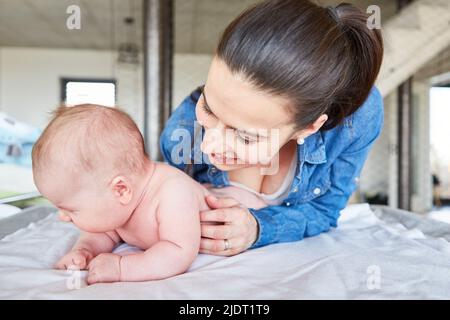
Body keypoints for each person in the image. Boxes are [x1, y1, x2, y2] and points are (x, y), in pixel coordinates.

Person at [160, 0, 384, 256]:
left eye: (245, 136)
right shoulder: (181, 133)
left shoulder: (357, 120)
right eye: (209, 108)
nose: (209, 144)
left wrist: (258, 228)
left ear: (309, 127)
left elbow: (324, 211)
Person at [32, 105, 267, 284]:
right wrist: (84, 251)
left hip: (236, 199)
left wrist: (123, 268)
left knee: (252, 200)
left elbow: (178, 251)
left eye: (70, 209)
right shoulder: (117, 206)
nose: (62, 216)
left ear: (121, 189)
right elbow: (106, 233)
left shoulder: (171, 194)